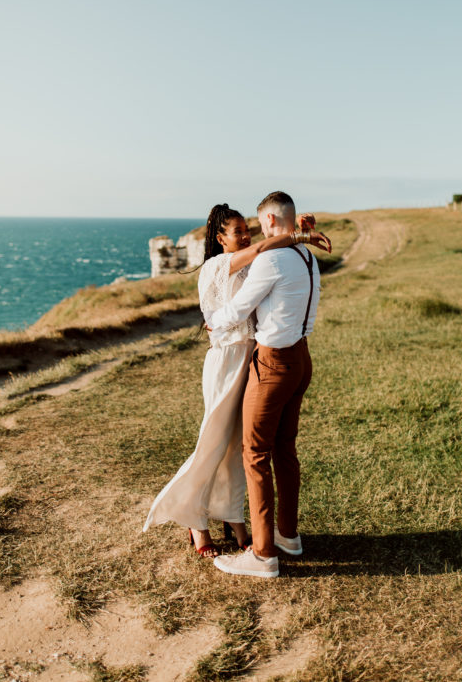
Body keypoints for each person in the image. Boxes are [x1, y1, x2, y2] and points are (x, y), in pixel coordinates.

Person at [142, 202, 331, 557]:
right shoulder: (217, 265)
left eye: (248, 230)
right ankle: (195, 522)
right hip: (226, 361)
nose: (246, 236)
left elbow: (268, 249)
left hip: (251, 360)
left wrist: (294, 228)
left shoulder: (247, 261)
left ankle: (233, 517)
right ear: (220, 238)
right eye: (238, 232)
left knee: (236, 449)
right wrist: (298, 235)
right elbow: (264, 246)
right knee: (213, 442)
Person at [208, 191, 320, 579]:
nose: (256, 231)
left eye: (258, 224)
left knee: (255, 453)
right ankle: (288, 535)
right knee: (285, 449)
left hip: (273, 363)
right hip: (301, 358)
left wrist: (213, 322)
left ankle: (263, 554)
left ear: (270, 221)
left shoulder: (272, 259)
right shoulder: (307, 256)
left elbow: (240, 309)